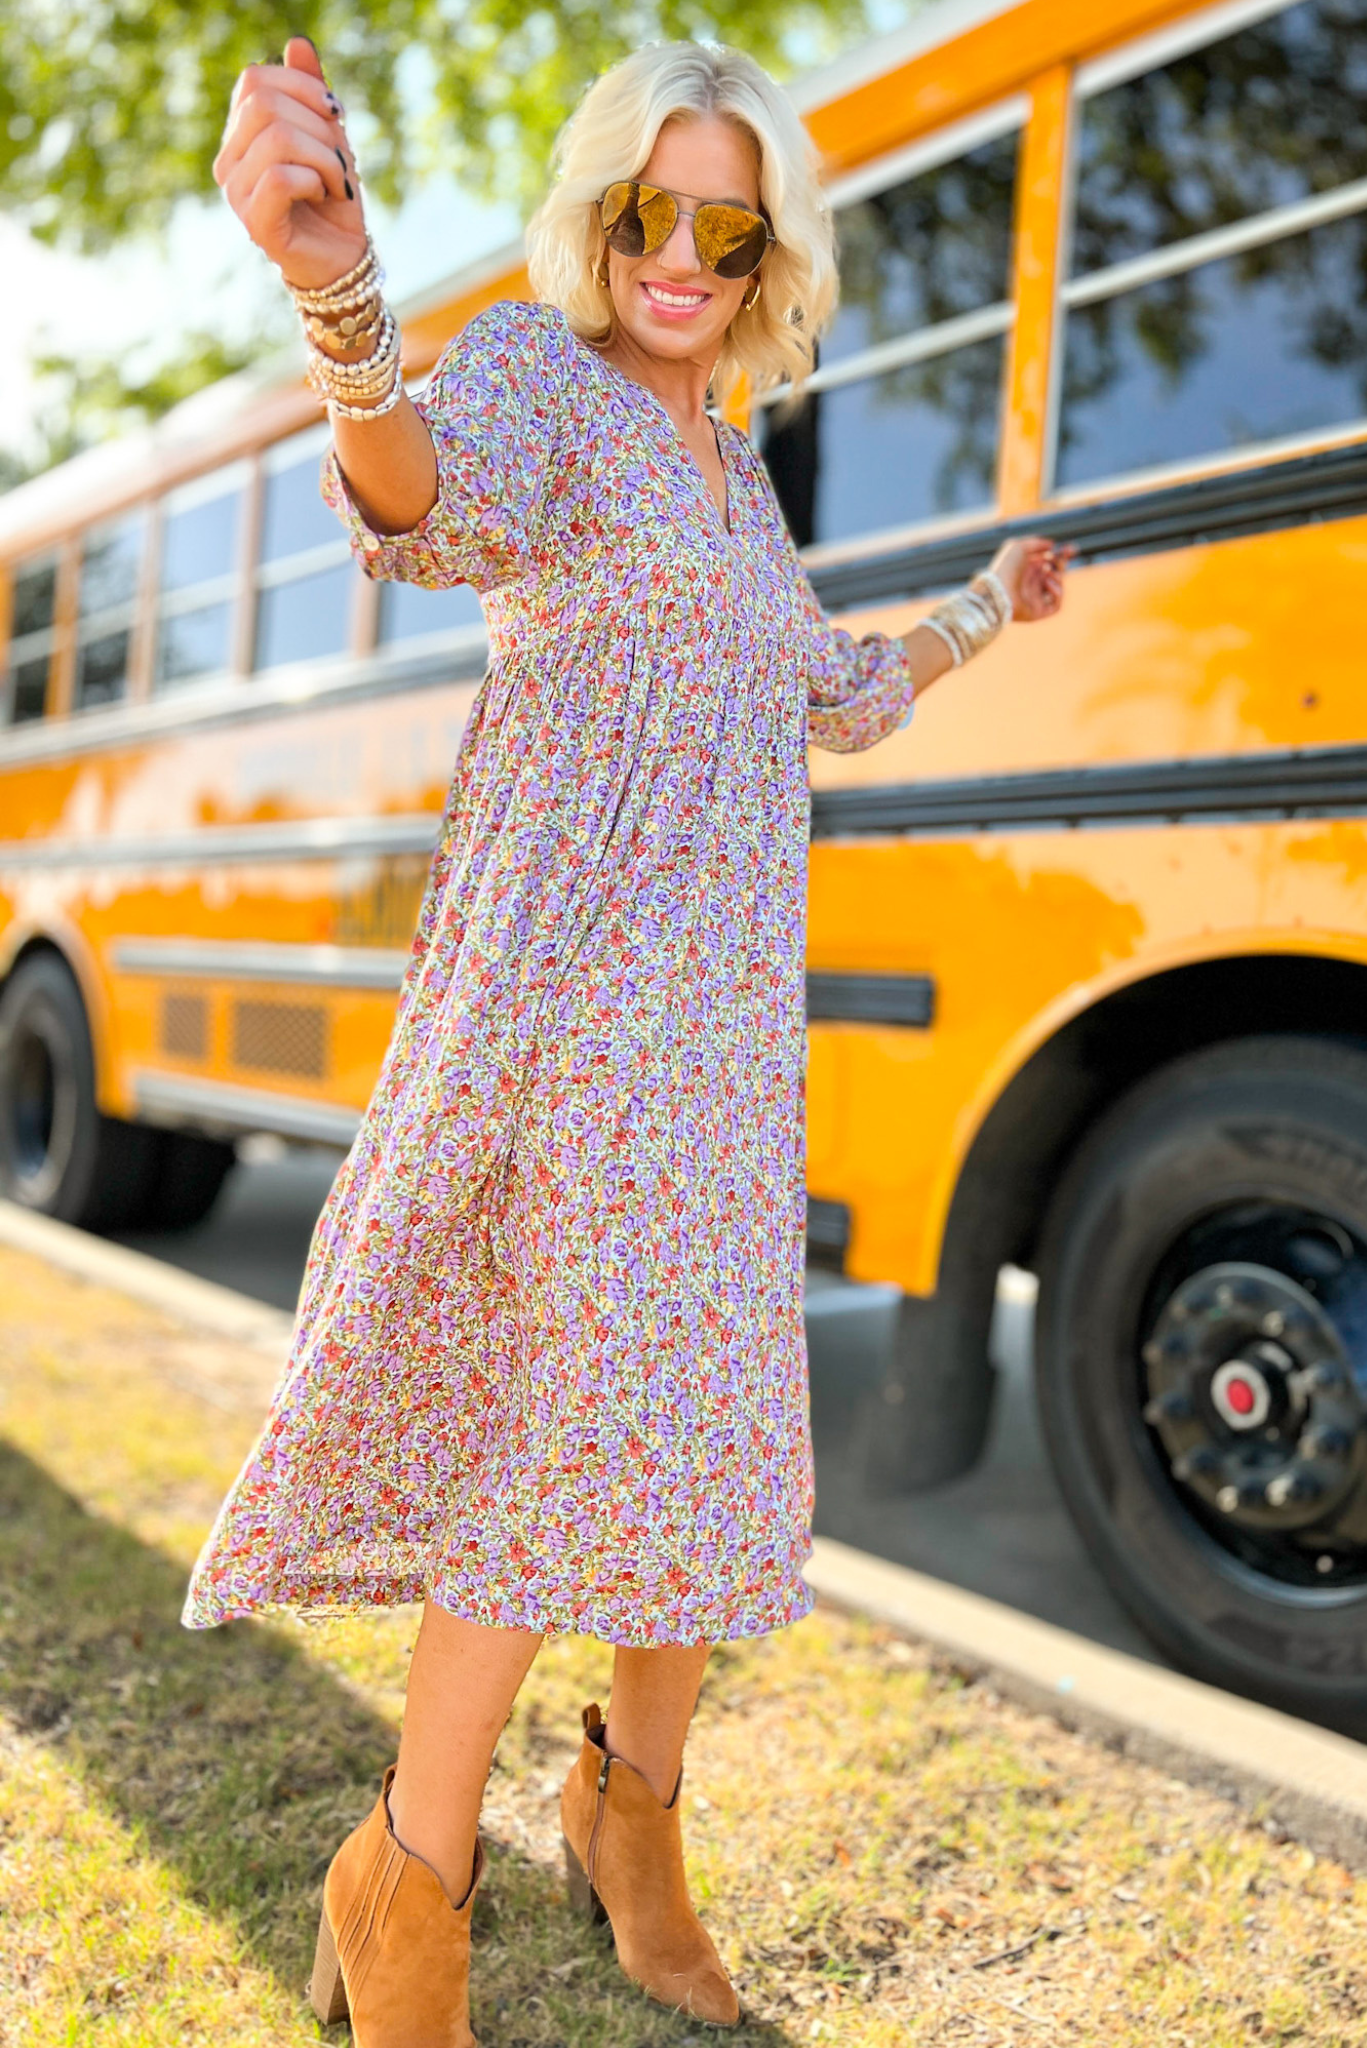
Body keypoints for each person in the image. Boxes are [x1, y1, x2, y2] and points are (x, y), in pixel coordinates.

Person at [188, 30, 1071, 2044]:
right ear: (599, 220)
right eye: (642, 211)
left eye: (721, 221)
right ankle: (404, 1886)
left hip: (720, 1047)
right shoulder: (531, 380)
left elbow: (832, 697)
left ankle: (628, 1816)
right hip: (567, 1021)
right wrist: (334, 288)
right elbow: (407, 492)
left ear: (767, 253)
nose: (675, 252)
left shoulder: (732, 475)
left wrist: (982, 607)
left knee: (699, 1441)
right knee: (549, 1433)